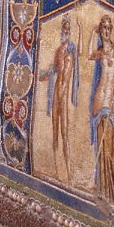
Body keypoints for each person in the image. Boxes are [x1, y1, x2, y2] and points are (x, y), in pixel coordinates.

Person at [86, 15, 114, 208]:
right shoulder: (101, 52)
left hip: (109, 101)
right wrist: (91, 32)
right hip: (98, 100)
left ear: (111, 30)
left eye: (107, 28)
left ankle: (111, 190)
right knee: (101, 146)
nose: (105, 31)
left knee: (109, 144)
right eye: (102, 28)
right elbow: (87, 55)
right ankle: (101, 187)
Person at [38, 15, 79, 182]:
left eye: (68, 31)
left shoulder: (71, 51)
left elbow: (68, 73)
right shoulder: (58, 51)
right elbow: (53, 71)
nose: (65, 33)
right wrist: (42, 74)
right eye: (64, 30)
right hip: (56, 93)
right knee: (55, 130)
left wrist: (82, 31)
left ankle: (69, 174)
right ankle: (56, 170)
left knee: (65, 133)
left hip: (64, 94)